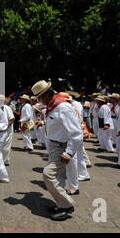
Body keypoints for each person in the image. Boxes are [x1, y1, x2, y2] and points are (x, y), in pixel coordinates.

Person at [32, 80, 82, 221]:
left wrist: (69, 152)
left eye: (40, 97)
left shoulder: (62, 107)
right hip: (55, 145)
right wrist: (43, 123)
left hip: (62, 146)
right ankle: (61, 204)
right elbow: (58, 123)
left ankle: (67, 204)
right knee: (58, 177)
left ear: (47, 94)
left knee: (48, 174)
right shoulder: (53, 105)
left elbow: (76, 133)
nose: (39, 101)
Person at [2, 97, 15, 166]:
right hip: (0, 131)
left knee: (6, 146)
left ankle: (4, 160)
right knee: (2, 146)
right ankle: (5, 160)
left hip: (7, 130)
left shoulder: (6, 108)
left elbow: (12, 119)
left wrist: (6, 127)